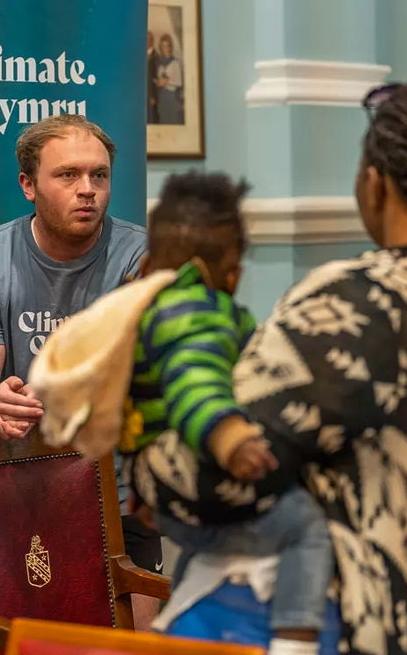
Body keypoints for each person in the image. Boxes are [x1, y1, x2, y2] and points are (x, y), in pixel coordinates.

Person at [137, 79, 407, 654]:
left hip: (386, 629)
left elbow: (203, 479)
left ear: (374, 184)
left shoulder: (354, 307)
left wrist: (148, 460)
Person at [120, 172, 333, 655]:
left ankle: (188, 600)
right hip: (204, 467)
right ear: (228, 272)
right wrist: (229, 436)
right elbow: (198, 382)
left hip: (160, 495)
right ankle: (297, 637)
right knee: (306, 526)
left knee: (209, 542)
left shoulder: (142, 309)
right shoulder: (197, 312)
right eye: (236, 266)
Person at [0, 114, 163, 592]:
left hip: (122, 493)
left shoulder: (143, 257)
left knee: (138, 638)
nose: (87, 189)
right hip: (19, 486)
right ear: (28, 185)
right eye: (68, 175)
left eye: (99, 175)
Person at [155, 33, 183, 125]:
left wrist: (167, 82)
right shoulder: (159, 62)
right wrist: (158, 82)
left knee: (172, 121)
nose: (166, 48)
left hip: (172, 97)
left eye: (167, 46)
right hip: (162, 97)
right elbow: (158, 80)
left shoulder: (175, 63)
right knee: (163, 120)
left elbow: (179, 82)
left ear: (171, 47)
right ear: (161, 47)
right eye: (163, 46)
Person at [147, 30, 160, 124]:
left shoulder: (156, 56)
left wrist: (153, 95)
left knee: (152, 116)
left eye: (149, 39)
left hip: (153, 91)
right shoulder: (143, 55)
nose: (148, 41)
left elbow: (155, 77)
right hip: (145, 91)